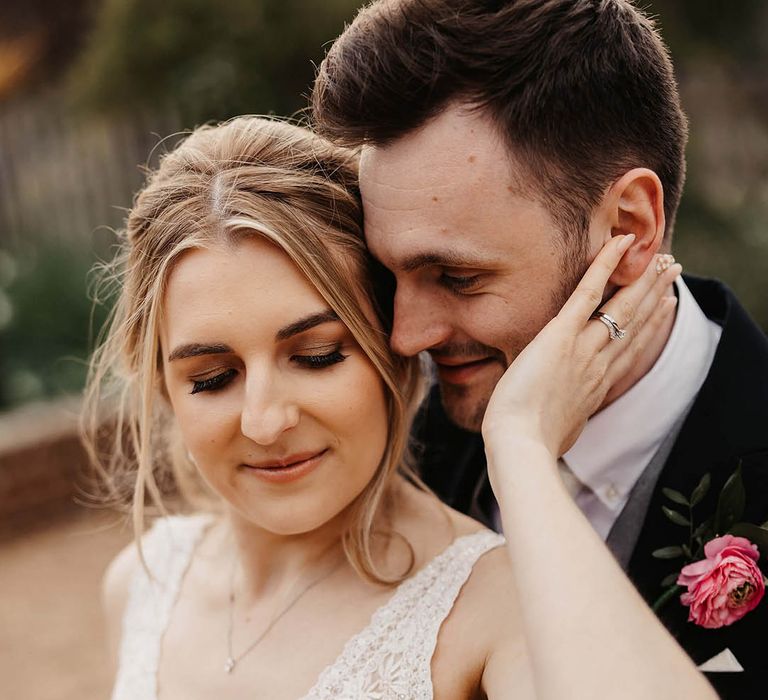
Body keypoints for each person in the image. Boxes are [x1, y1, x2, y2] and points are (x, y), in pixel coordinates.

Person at [84, 116, 714, 699]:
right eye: (214, 377)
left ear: (395, 346)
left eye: (318, 356)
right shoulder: (140, 584)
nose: (264, 420)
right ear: (159, 382)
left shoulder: (499, 606)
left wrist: (520, 443)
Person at [311, 1, 768, 696]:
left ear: (628, 227)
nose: (406, 337)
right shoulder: (394, 457)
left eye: (456, 276)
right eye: (388, 275)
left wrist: (520, 445)